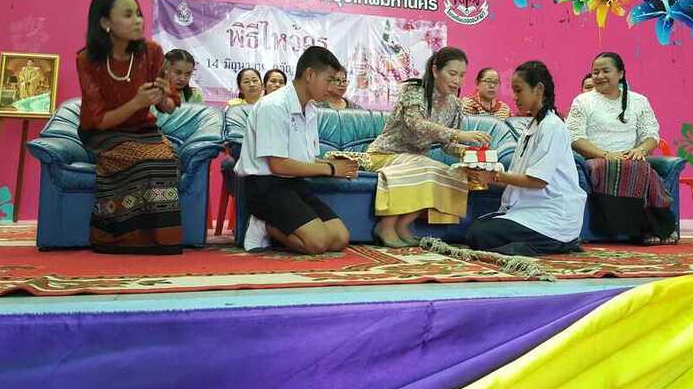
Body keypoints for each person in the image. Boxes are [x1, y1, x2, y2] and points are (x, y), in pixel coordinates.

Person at [76, 0, 182, 254]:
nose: (138, 21)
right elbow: (98, 121)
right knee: (144, 161)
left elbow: (168, 106)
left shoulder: (152, 51)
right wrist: (136, 102)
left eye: (138, 13)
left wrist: (162, 97)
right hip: (103, 133)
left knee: (166, 160)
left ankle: (161, 240)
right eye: (128, 15)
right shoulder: (87, 60)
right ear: (105, 22)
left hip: (142, 130)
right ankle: (120, 238)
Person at [234, 46, 359, 254]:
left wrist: (340, 166)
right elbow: (278, 165)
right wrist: (330, 169)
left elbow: (307, 158)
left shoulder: (310, 109)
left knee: (340, 239)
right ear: (310, 75)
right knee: (318, 243)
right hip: (265, 186)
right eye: (329, 80)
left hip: (294, 183)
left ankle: (280, 226)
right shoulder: (274, 106)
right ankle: (263, 225)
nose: (331, 88)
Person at [365, 47, 491, 247]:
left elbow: (447, 145)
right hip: (384, 155)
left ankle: (403, 226)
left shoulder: (455, 105)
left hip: (416, 162)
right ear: (435, 70)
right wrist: (458, 134)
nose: (457, 80)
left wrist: (468, 152)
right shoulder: (414, 91)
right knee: (424, 166)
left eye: (462, 75)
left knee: (448, 172)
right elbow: (417, 124)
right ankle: (385, 226)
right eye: (452, 73)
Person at [466, 61, 587, 256]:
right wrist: (483, 175)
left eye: (518, 90)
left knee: (480, 234)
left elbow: (538, 181)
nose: (514, 97)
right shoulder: (532, 126)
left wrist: (494, 176)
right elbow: (518, 178)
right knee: (477, 229)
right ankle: (540, 244)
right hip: (531, 210)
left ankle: (558, 243)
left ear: (538, 89)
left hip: (553, 214)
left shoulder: (552, 126)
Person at [566, 52, 676, 244]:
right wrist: (607, 155)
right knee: (605, 167)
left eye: (605, 71)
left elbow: (651, 135)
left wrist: (640, 150)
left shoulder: (639, 101)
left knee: (642, 168)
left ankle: (655, 229)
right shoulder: (582, 101)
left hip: (631, 159)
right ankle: (633, 229)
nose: (599, 76)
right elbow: (575, 138)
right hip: (595, 160)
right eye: (595, 72)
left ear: (621, 73)